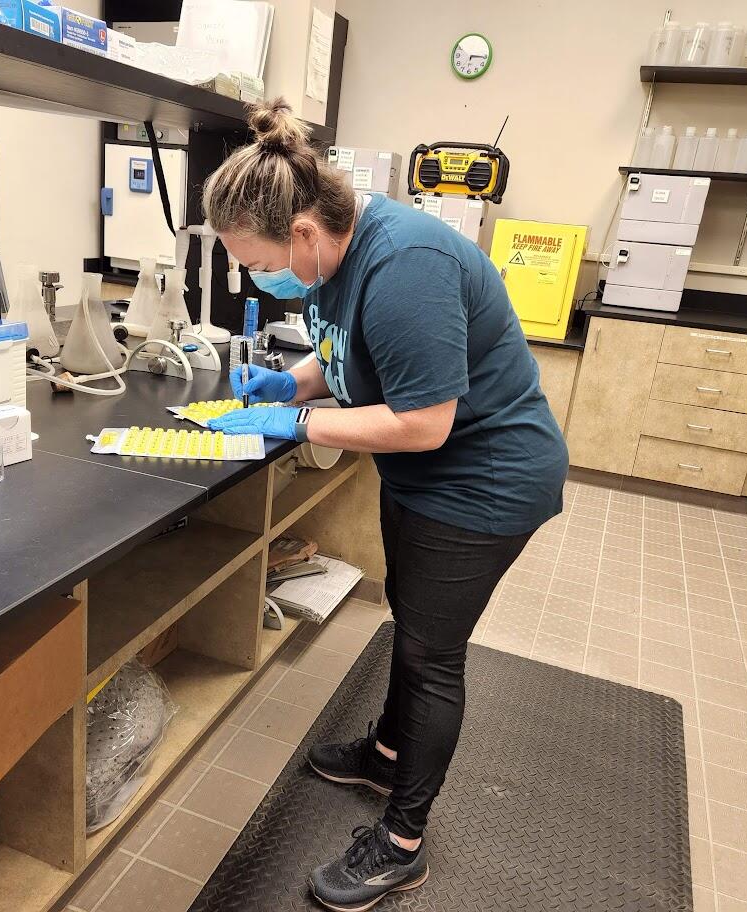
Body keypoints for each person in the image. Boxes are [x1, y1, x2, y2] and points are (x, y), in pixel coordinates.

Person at [201, 98, 568, 912]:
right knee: (411, 627)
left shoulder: (405, 264)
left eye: (250, 259)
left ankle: (401, 844)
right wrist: (290, 381)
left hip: (484, 482)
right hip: (427, 480)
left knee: (431, 655)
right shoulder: (335, 256)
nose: (247, 275)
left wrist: (293, 421)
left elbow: (423, 420)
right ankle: (386, 753)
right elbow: (350, 355)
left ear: (301, 231)